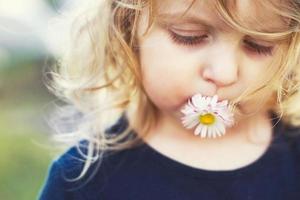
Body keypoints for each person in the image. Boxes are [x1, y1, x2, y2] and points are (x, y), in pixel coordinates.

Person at [39, 0, 300, 199]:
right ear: (127, 26)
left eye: (258, 45)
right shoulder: (83, 181)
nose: (225, 73)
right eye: (189, 36)